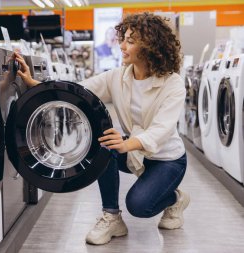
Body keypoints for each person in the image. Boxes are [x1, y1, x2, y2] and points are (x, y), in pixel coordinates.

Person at [13, 12, 188, 246]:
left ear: (150, 47)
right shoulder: (118, 77)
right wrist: (35, 84)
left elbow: (161, 130)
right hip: (134, 151)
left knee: (139, 206)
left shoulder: (172, 83)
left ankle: (175, 198)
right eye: (123, 38)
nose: (122, 45)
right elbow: (76, 90)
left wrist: (125, 144)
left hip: (167, 159)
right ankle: (112, 216)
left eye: (131, 41)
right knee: (102, 142)